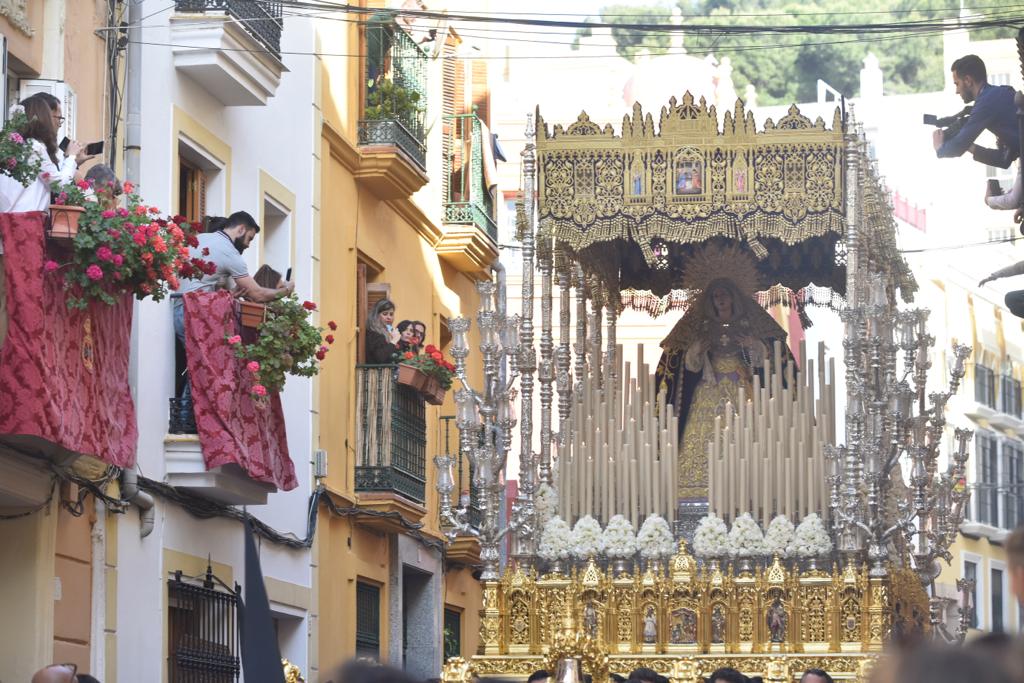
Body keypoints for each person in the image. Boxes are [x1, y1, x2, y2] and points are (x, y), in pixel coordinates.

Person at [655, 248, 791, 501]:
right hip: (710, 386)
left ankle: (748, 485)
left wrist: (752, 346)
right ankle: (695, 486)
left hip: (741, 387)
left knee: (746, 433)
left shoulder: (749, 323)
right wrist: (697, 350)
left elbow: (761, 363)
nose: (720, 300)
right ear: (710, 300)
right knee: (702, 435)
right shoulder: (701, 326)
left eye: (724, 295)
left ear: (733, 297)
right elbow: (687, 367)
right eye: (716, 296)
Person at [171, 211, 293, 425]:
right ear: (241, 229)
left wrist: (229, 293)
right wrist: (286, 291)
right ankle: (186, 421)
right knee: (206, 367)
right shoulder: (230, 253)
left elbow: (205, 281)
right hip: (194, 314)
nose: (247, 245)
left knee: (195, 364)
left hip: (177, 307)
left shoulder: (202, 239)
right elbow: (258, 294)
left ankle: (187, 419)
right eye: (249, 239)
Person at [933, 55, 1020, 169]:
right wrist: (969, 146)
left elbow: (957, 147)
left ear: (968, 81)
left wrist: (940, 148)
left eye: (957, 84)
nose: (957, 91)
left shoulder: (986, 103)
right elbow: (1004, 160)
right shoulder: (998, 94)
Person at [365, 298, 401, 363]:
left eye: (391, 314)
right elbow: (380, 357)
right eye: (385, 314)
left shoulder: (387, 332)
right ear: (376, 315)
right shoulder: (373, 333)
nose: (389, 317)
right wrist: (394, 341)